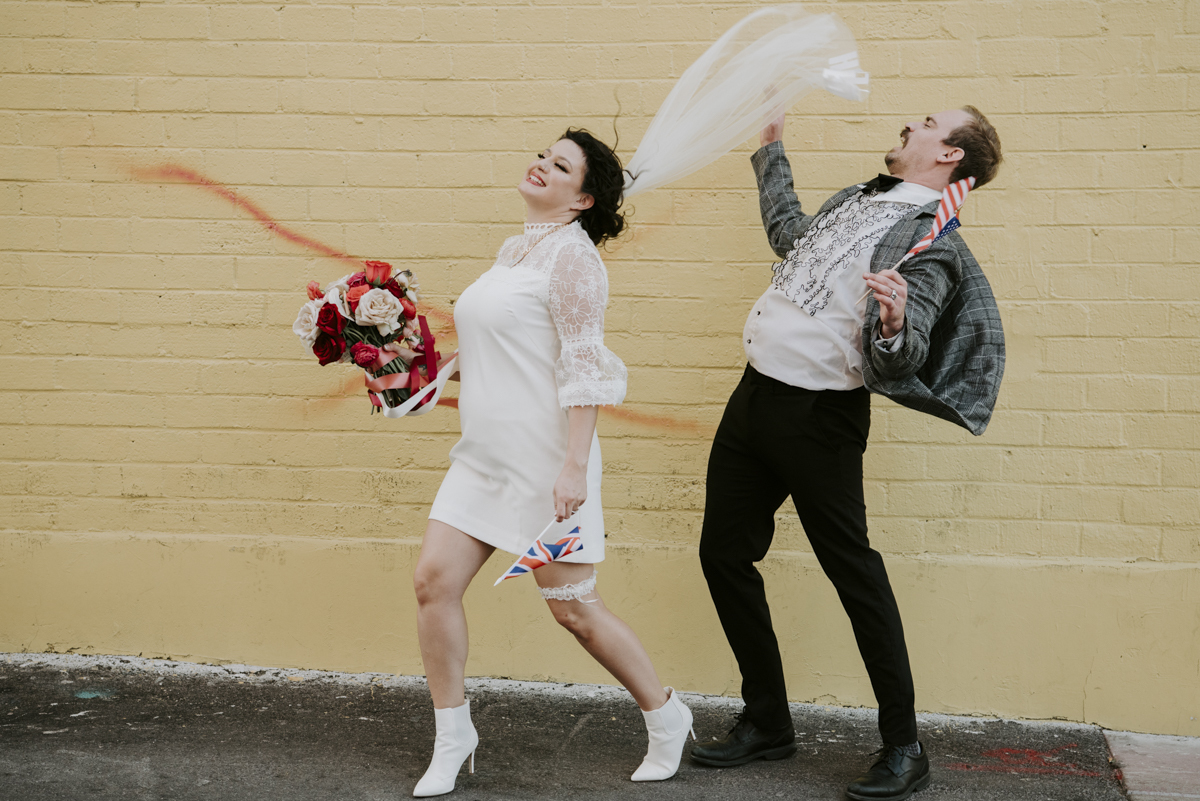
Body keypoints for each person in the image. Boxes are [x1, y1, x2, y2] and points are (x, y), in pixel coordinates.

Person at [691, 107, 1005, 801]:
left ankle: (904, 746)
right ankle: (768, 720)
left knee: (853, 572)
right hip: (755, 400)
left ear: (950, 155)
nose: (909, 123)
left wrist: (894, 320)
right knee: (723, 553)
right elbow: (789, 240)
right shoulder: (860, 197)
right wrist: (772, 149)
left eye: (926, 122)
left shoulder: (934, 241)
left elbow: (907, 347)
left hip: (819, 418)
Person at [410, 128, 693, 797]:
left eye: (560, 165)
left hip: (546, 465)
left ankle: (665, 712)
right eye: (543, 154)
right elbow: (502, 349)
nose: (541, 164)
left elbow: (582, 369)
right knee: (432, 583)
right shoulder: (516, 249)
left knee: (574, 608)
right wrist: (430, 374)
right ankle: (454, 734)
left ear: (582, 198)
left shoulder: (574, 262)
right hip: (482, 458)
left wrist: (573, 467)